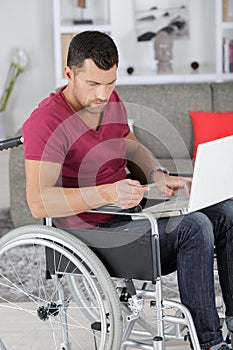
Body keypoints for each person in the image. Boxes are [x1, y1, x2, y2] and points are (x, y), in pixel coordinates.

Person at [22, 30, 233, 350]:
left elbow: (130, 146)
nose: (103, 95)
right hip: (90, 236)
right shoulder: (46, 122)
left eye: (110, 83)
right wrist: (107, 193)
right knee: (194, 227)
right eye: (93, 84)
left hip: (128, 221)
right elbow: (38, 202)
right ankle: (208, 342)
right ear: (69, 74)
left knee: (226, 213)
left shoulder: (109, 101)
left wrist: (157, 175)